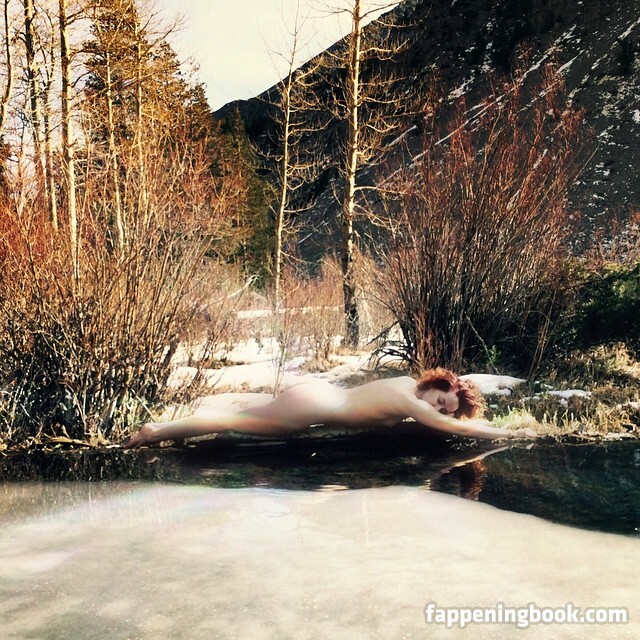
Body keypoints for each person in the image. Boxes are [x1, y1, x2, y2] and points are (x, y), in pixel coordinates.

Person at [123, 367, 537, 448]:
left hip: (316, 397)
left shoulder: (404, 383)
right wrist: (509, 433)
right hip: (311, 407)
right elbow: (455, 429)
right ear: (435, 385)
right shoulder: (407, 399)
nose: (439, 411)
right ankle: (154, 431)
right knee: (232, 423)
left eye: (445, 409)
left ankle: (165, 428)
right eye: (442, 402)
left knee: (240, 419)